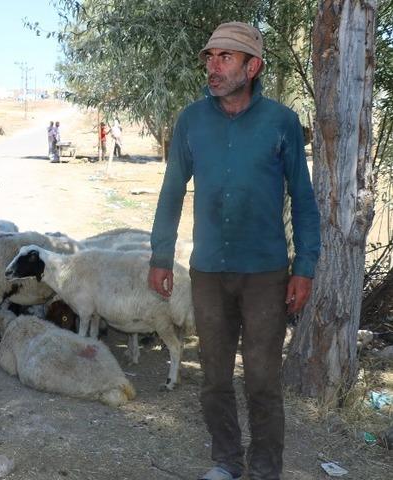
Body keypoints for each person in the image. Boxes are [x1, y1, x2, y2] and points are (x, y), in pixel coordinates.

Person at [148, 22, 320, 480]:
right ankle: (226, 461)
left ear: (253, 66)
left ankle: (264, 469)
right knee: (215, 378)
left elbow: (303, 199)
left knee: (263, 380)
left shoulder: (280, 122)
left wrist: (303, 267)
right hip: (207, 272)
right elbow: (171, 191)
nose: (213, 66)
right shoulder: (191, 120)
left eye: (225, 57)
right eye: (210, 57)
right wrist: (160, 256)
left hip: (265, 274)